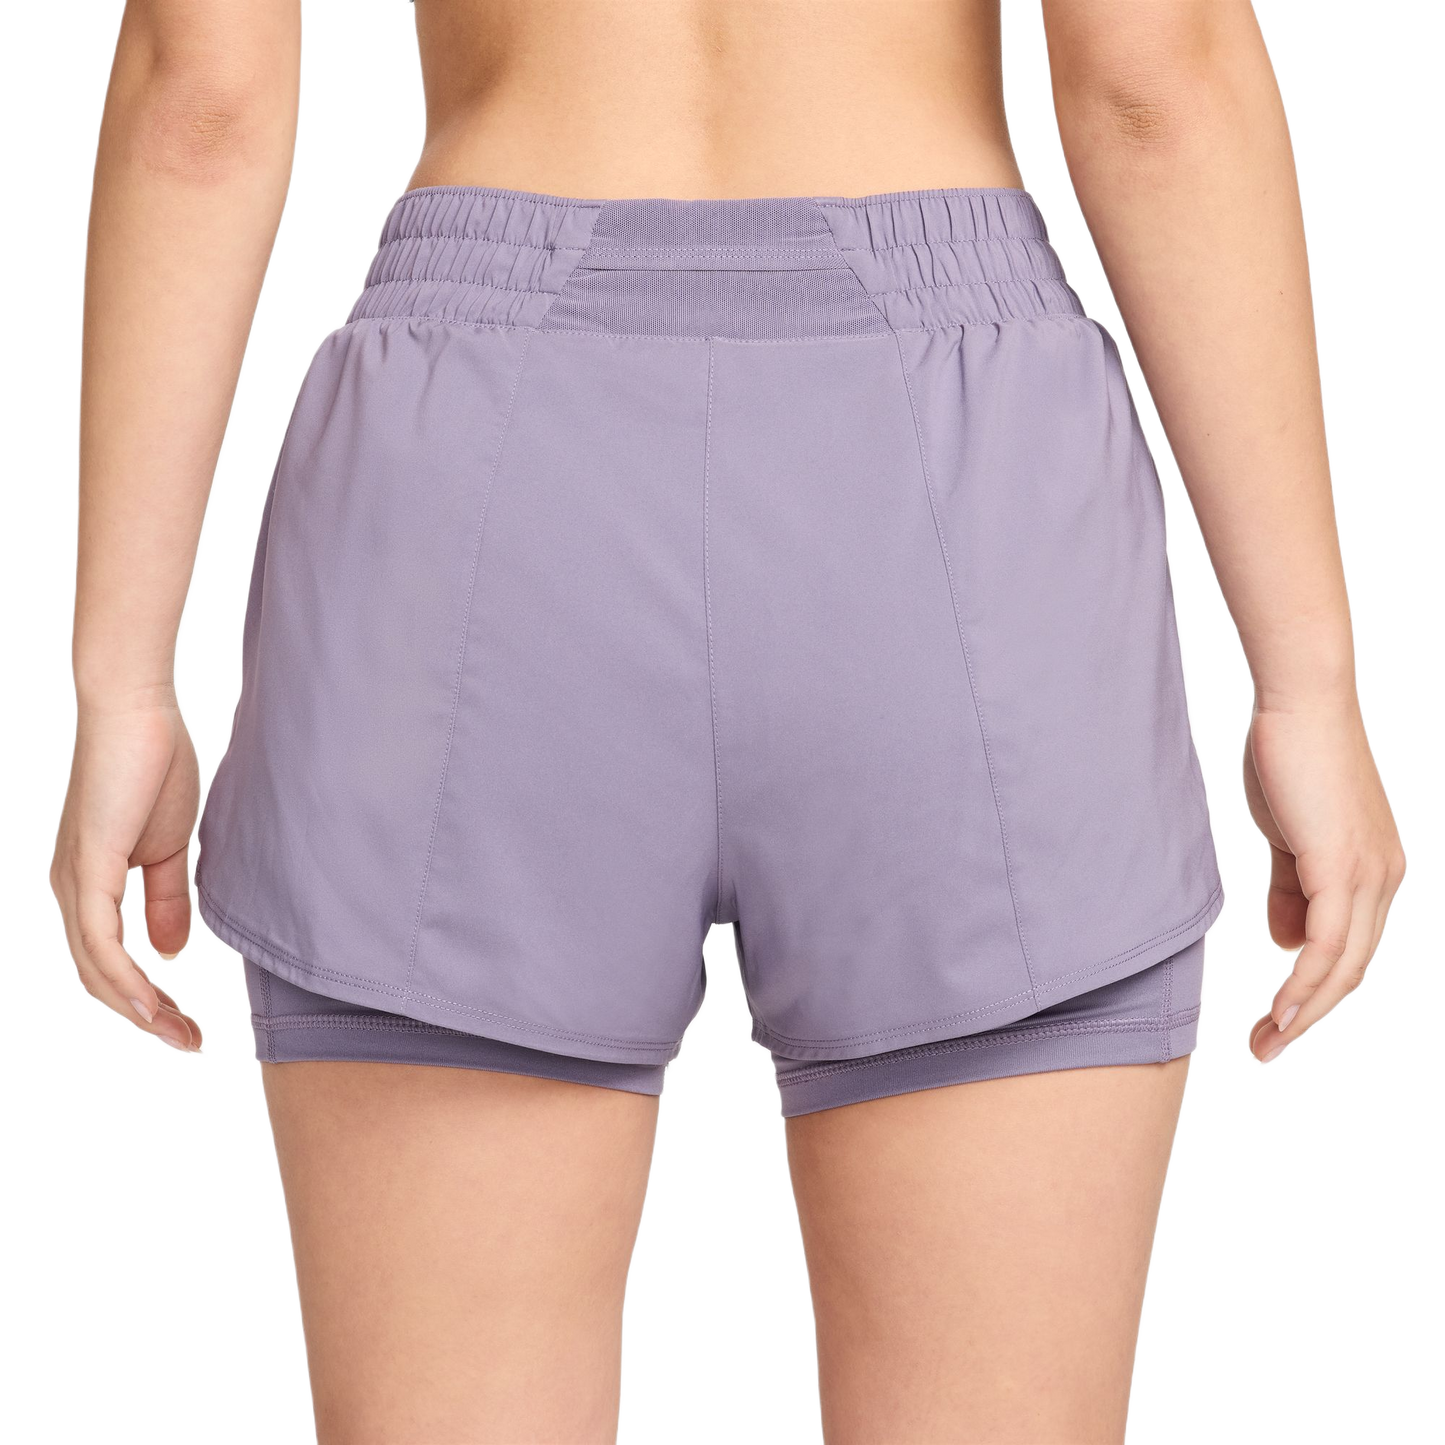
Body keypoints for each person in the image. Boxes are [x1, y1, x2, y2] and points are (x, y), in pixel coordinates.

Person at [50, 1, 1407, 1440]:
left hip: (482, 468)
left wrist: (121, 679)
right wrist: (1307, 680)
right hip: (949, 478)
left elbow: (203, 97)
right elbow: (1154, 78)